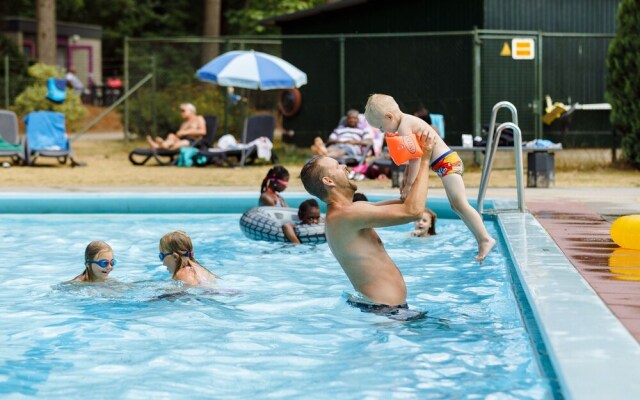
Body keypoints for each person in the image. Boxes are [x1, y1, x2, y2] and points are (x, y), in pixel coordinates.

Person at [300, 131, 436, 309]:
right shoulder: (345, 215)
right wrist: (425, 159)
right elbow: (414, 211)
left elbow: (406, 202)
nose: (345, 167)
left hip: (385, 310)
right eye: (337, 166)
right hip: (385, 312)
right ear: (328, 180)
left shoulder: (348, 212)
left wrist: (413, 159)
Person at [365, 93, 495, 261]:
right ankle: (481, 239)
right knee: (456, 206)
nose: (383, 131)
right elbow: (411, 158)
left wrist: (410, 184)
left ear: (389, 117)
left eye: (381, 127)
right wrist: (405, 181)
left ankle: (485, 239)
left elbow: (415, 159)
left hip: (447, 162)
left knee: (460, 204)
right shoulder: (407, 122)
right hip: (444, 163)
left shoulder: (405, 127)